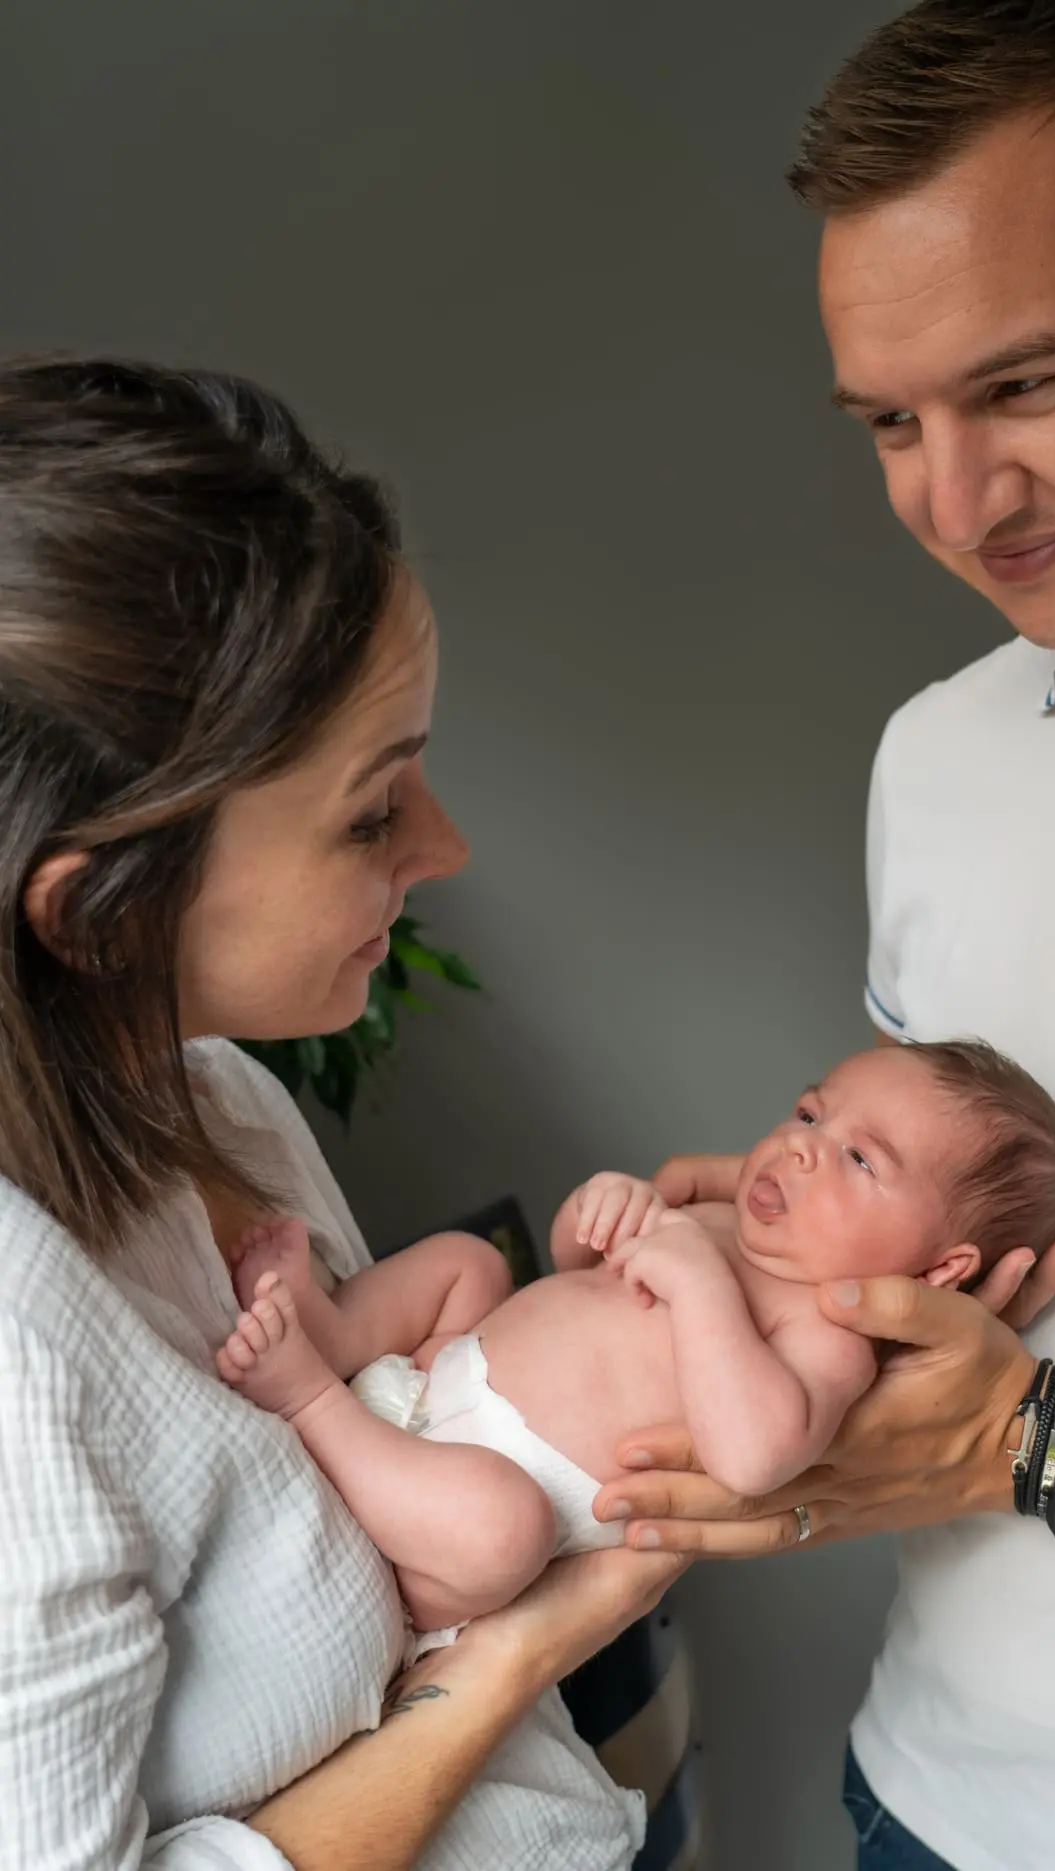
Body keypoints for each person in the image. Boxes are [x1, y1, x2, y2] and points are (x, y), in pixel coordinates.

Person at [589, 3, 1055, 1867]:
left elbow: (1008, 1409)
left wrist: (1029, 1436)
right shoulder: (935, 751)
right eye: (891, 421)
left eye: (1023, 386)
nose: (952, 505)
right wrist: (803, 1233)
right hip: (927, 1799)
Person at [0, 354, 682, 1871]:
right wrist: (514, 1655)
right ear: (100, 909)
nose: (440, 848)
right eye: (372, 810)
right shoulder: (21, 1347)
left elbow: (407, 1457)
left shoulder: (224, 1105)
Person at [215, 1039, 1055, 1633]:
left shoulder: (829, 1334)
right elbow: (575, 1269)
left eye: (861, 1159)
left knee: (503, 1529)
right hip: (437, 1376)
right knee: (470, 1262)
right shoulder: (716, 1216)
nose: (801, 1147)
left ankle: (308, 1398)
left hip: (477, 1500)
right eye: (810, 1113)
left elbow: (752, 1457)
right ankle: (334, 1331)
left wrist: (702, 1285)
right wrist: (601, 1209)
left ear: (940, 1270)